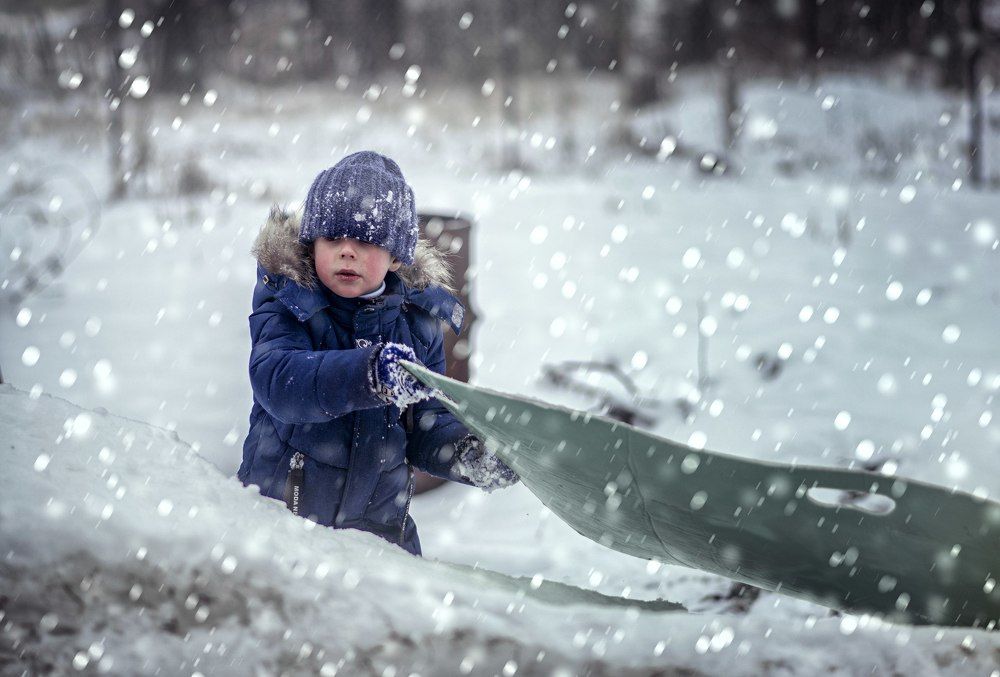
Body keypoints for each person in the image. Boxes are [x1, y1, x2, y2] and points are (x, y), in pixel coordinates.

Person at [237, 150, 518, 556]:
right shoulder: (289, 301)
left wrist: (466, 453)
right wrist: (367, 375)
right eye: (332, 238)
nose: (346, 252)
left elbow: (425, 422)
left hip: (380, 537)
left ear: (397, 256)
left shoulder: (419, 323)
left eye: (366, 240)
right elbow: (278, 380)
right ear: (312, 242)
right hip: (283, 524)